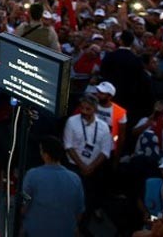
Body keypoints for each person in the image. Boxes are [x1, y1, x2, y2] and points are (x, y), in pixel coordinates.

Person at [63, 94, 113, 229]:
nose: (84, 112)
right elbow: (68, 146)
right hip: (74, 167)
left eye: (88, 109)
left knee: (87, 200)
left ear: (95, 109)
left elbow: (105, 151)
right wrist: (82, 166)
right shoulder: (72, 122)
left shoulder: (103, 127)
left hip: (93, 170)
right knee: (70, 198)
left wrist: (90, 167)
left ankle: (81, 227)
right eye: (82, 108)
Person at [21, 136, 84, 237]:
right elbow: (79, 212)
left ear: (45, 155)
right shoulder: (75, 178)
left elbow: (23, 208)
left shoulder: (32, 175)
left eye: (41, 150)